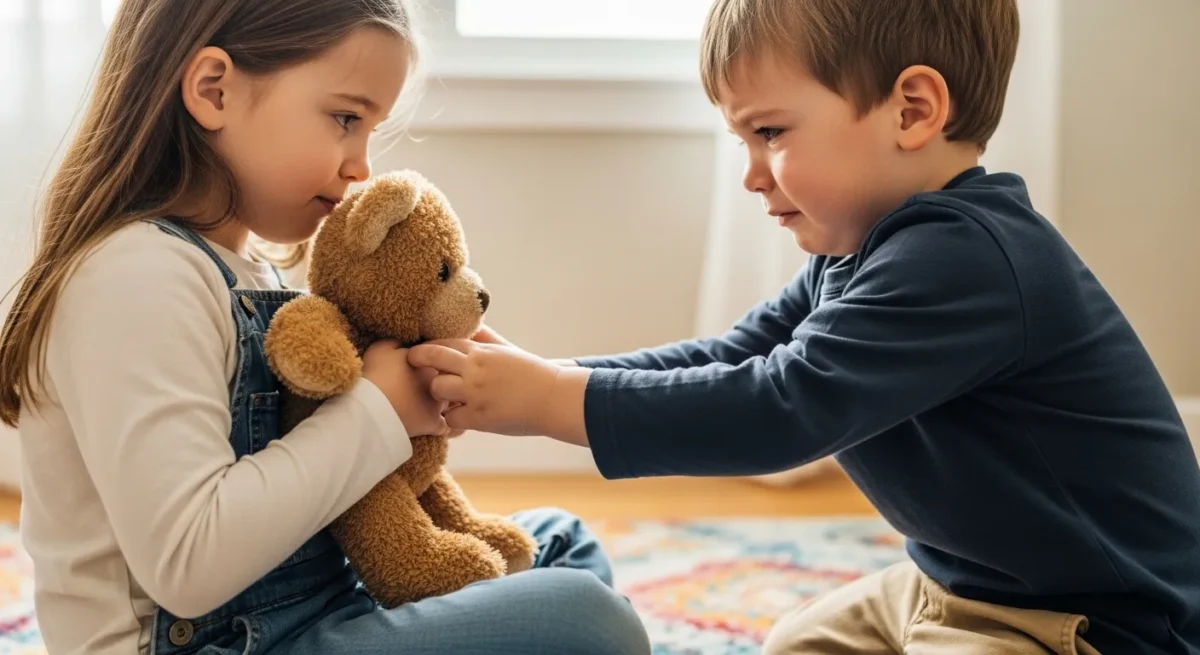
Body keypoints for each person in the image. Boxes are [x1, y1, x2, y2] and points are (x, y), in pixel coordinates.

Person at [407, 0, 1200, 653]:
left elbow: (779, 405)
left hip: (1091, 621)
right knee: (791, 642)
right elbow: (733, 355)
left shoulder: (967, 259)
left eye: (771, 134)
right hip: (956, 582)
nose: (752, 175)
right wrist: (543, 373)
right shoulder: (864, 249)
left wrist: (552, 399)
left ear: (912, 110)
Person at [0, 1, 650, 654]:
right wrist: (377, 414)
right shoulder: (135, 276)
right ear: (213, 90)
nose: (361, 165)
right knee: (589, 620)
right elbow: (188, 562)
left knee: (559, 540)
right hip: (217, 643)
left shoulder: (248, 270)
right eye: (345, 118)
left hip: (315, 612)